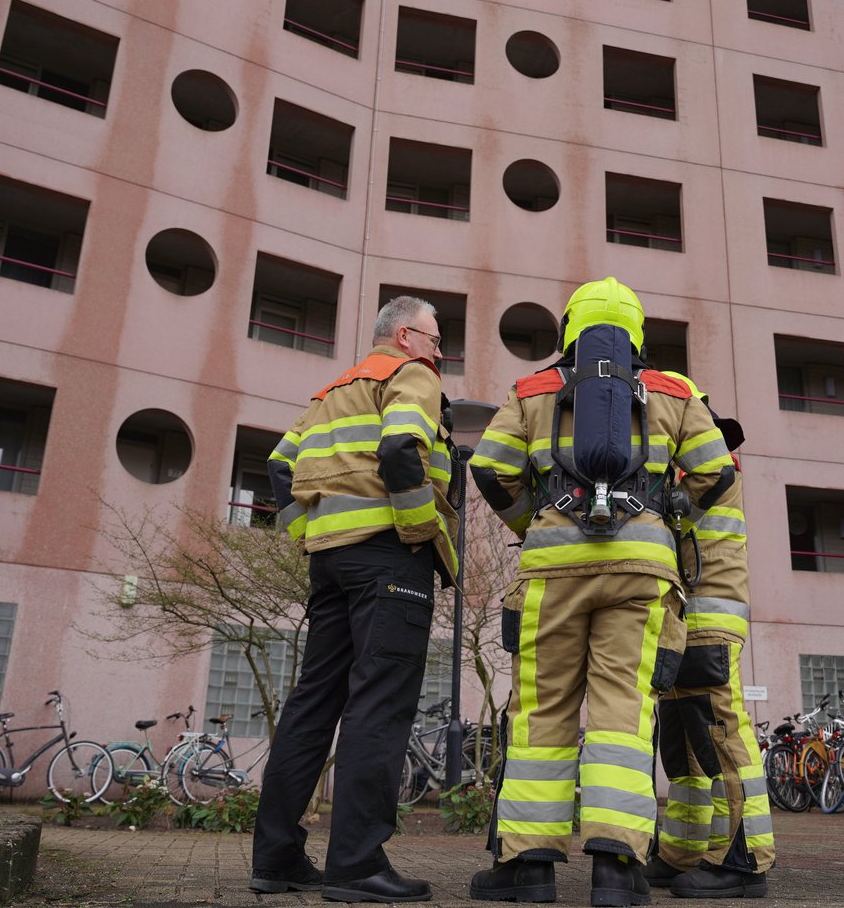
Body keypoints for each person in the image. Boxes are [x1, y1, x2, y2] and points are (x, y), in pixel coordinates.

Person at [467, 277, 735, 906]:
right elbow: (715, 472)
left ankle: (529, 869)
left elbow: (491, 467)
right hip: (642, 572)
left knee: (541, 710)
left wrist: (538, 519)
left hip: (552, 570)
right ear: (638, 332)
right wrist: (665, 523)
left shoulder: (531, 389)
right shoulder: (675, 391)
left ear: (569, 331)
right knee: (624, 715)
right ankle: (617, 870)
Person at [250, 296, 458, 903]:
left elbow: (279, 463)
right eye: (435, 339)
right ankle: (355, 865)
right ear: (403, 336)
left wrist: (305, 532)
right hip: (391, 556)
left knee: (313, 704)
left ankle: (277, 859)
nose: (440, 352)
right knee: (379, 703)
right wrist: (418, 528)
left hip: (332, 562)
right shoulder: (410, 375)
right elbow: (400, 450)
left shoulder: (331, 392)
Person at [646, 372, 773, 899]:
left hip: (707, 614)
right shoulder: (693, 465)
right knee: (681, 739)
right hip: (685, 613)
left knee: (721, 731)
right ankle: (683, 851)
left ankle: (744, 860)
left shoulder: (708, 466)